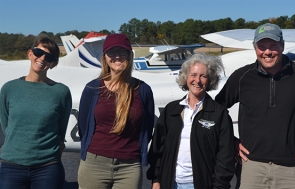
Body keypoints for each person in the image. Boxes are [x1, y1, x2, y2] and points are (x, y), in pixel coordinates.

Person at [215, 23, 295, 189]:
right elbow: (215, 111)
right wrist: (230, 141)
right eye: (261, 46)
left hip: (292, 168)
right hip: (251, 167)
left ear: (282, 45)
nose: (267, 52)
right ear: (255, 48)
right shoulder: (242, 77)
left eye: (273, 46)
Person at [77, 33, 155, 189]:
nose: (117, 57)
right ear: (105, 57)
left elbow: (147, 126)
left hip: (129, 166)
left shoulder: (143, 90)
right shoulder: (92, 88)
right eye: (112, 52)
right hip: (94, 164)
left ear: (130, 56)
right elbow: (83, 127)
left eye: (122, 51)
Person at [147, 54, 235, 189]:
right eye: (193, 75)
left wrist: (219, 186)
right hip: (170, 183)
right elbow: (158, 148)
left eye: (203, 76)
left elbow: (225, 157)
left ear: (210, 80)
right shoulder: (171, 110)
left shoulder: (219, 114)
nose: (197, 80)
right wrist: (156, 179)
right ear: (186, 77)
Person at [0, 34, 72, 189]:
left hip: (47, 167)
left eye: (49, 57)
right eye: (39, 53)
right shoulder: (9, 88)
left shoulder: (61, 91)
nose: (42, 59)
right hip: (12, 165)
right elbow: (6, 124)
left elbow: (61, 127)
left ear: (53, 64)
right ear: (30, 53)